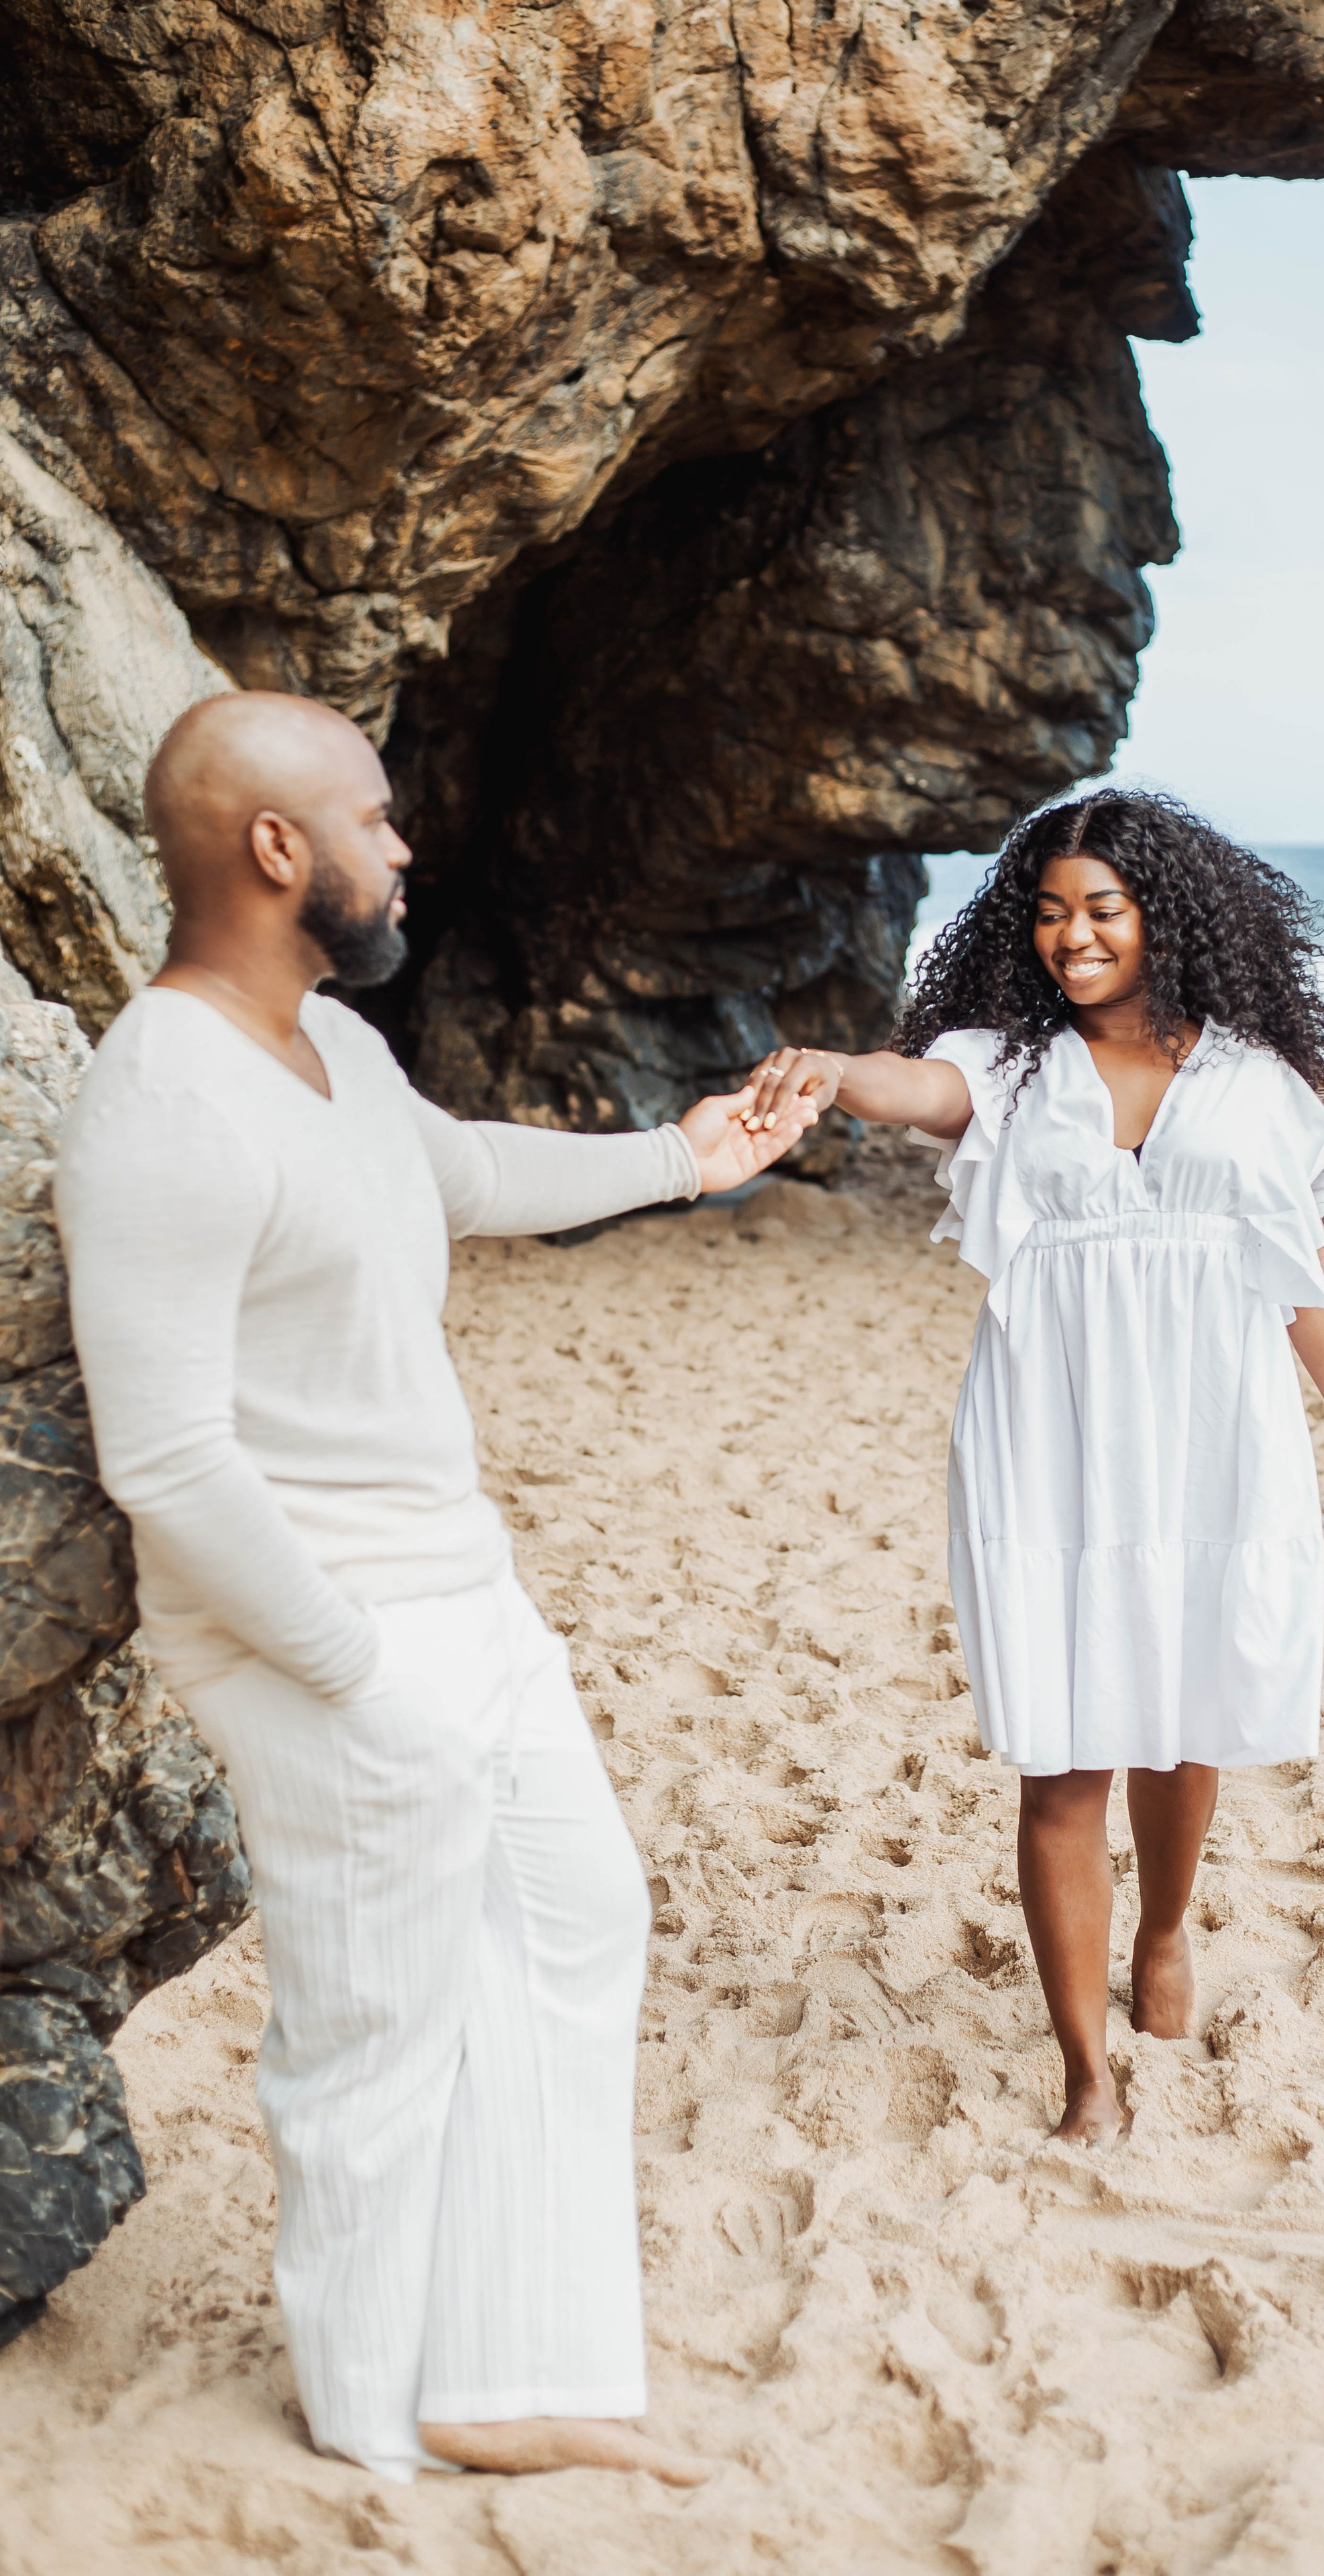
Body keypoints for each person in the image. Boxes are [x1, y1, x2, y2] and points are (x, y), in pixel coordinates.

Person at [54, 690, 816, 2485]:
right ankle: (367, 2412)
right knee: (376, 2019)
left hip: (462, 1591)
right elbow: (165, 1459)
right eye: (376, 821)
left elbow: (460, 1174)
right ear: (274, 849)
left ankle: (508, 2370)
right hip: (319, 1632)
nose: (404, 848)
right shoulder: (159, 1098)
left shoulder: (338, 1052)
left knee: (573, 1919)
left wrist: (685, 1163)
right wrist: (352, 1672)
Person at [742, 788, 1324, 2147]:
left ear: (1163, 916)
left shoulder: (1254, 1081)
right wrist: (827, 1066)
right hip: (1051, 1438)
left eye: (1100, 907)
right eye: (1048, 911)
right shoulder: (1008, 1064)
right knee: (1063, 1753)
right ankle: (1084, 2072)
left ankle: (1163, 1932)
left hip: (1212, 1431)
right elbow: (911, 1087)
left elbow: (1298, 1271)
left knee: (1189, 1714)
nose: (1072, 935)